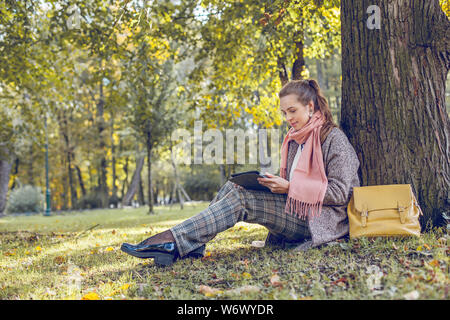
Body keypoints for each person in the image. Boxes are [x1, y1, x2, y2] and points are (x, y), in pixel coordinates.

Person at [121, 79, 360, 266]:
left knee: (241, 199)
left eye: (292, 111)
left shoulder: (333, 139)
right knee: (234, 187)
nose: (287, 119)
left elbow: (341, 193)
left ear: (310, 106)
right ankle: (192, 245)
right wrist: (272, 182)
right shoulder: (295, 141)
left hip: (320, 222)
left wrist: (289, 187)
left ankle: (172, 241)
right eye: (284, 113)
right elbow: (294, 183)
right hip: (296, 209)